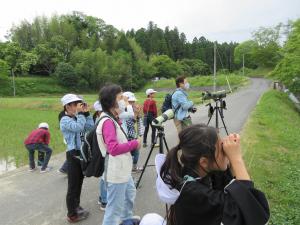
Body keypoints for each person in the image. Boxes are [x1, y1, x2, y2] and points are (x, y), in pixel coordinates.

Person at [154, 124, 270, 225]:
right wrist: (236, 159)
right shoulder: (192, 193)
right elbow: (251, 212)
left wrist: (231, 160)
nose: (225, 151)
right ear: (204, 162)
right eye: (221, 148)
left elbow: (236, 193)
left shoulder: (200, 171)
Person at [96, 84, 141, 225]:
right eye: (121, 97)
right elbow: (113, 149)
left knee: (129, 194)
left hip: (123, 168)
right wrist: (135, 144)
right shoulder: (107, 122)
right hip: (115, 172)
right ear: (111, 101)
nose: (124, 100)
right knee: (114, 209)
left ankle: (126, 218)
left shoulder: (113, 118)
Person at [60, 94, 94, 223]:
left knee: (79, 182)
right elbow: (78, 128)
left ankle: (76, 206)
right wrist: (80, 115)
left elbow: (90, 127)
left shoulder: (78, 117)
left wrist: (86, 114)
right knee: (73, 185)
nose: (77, 106)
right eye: (75, 104)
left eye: (79, 104)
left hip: (82, 153)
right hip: (73, 154)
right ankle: (72, 214)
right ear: (67, 106)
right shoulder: (65, 119)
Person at [123, 91, 143, 172]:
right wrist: (135, 114)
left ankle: (133, 167)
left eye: (133, 101)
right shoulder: (123, 112)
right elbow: (129, 124)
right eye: (131, 102)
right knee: (130, 153)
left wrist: (137, 114)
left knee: (135, 152)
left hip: (133, 135)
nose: (133, 103)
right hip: (127, 137)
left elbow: (138, 123)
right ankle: (130, 169)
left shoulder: (131, 110)